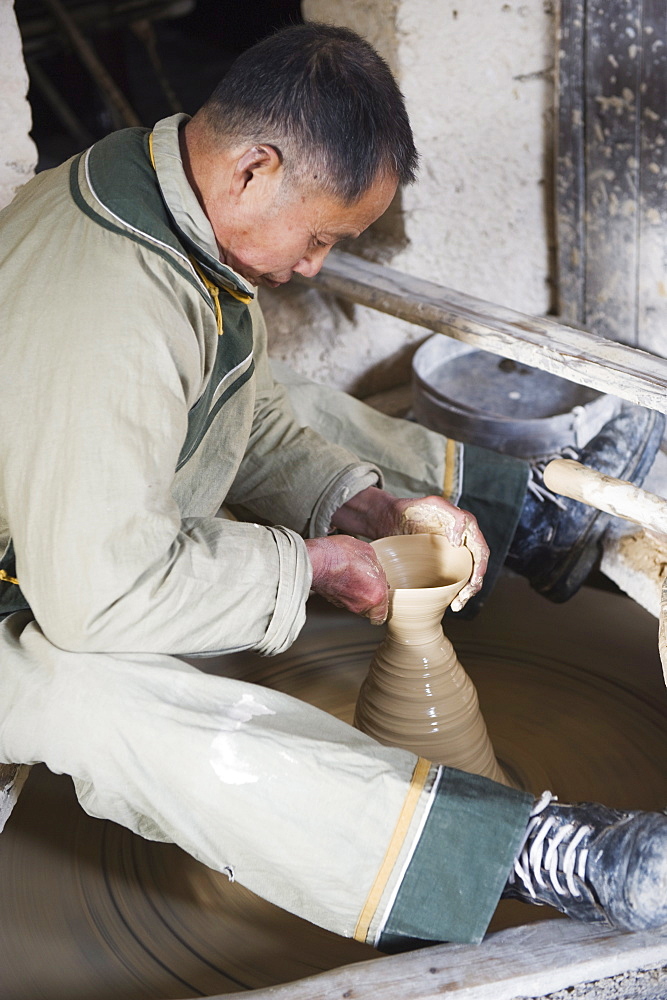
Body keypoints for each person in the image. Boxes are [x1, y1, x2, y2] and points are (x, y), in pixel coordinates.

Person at [0, 22, 665, 952]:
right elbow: (98, 600)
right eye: (317, 237)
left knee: (297, 399)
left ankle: (541, 529)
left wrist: (371, 510)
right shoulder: (113, 311)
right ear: (254, 169)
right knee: (102, 699)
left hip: (53, 516)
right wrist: (313, 567)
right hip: (25, 593)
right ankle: (542, 852)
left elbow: (247, 415)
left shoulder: (154, 186)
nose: (314, 267)